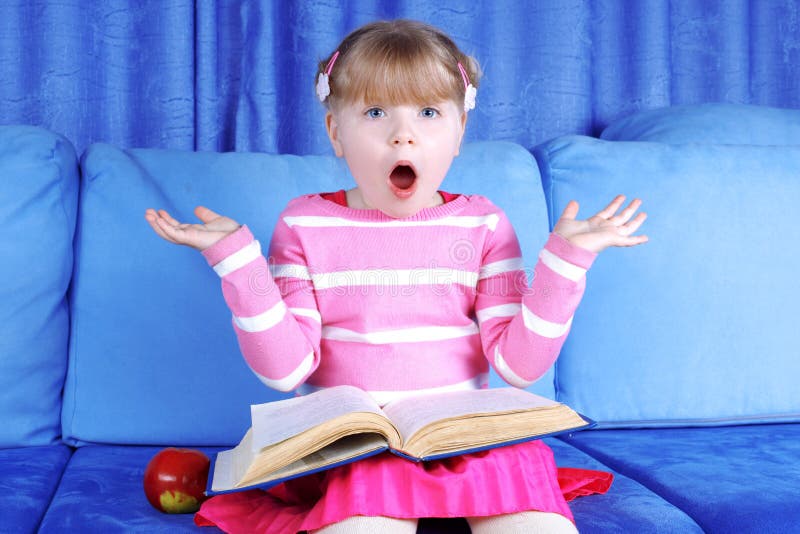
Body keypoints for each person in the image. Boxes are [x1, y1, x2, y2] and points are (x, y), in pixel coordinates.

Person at [145, 19, 646, 534]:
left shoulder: (485, 225)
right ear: (336, 133)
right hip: (358, 453)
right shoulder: (303, 225)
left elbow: (518, 366)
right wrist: (238, 263)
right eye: (375, 112)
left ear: (459, 134)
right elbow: (286, 370)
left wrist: (565, 264)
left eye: (428, 112)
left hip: (465, 443)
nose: (402, 133)